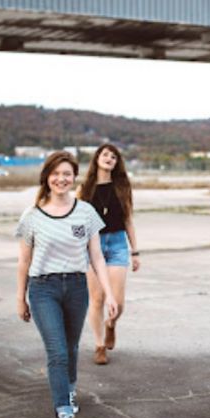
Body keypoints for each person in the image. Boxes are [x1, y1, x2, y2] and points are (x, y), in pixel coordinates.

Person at [16, 150, 118, 418]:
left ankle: (69, 390)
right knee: (57, 352)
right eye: (56, 174)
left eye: (67, 174)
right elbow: (24, 260)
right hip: (42, 288)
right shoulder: (32, 215)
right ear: (47, 177)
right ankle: (63, 414)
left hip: (75, 287)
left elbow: (97, 256)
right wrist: (20, 297)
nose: (61, 179)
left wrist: (109, 295)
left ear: (74, 178)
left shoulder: (85, 211)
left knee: (71, 348)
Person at [77, 144, 140, 365]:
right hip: (91, 247)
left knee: (118, 301)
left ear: (116, 163)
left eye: (114, 156)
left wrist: (135, 251)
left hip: (117, 245)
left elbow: (128, 220)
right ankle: (99, 345)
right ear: (97, 159)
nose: (109, 158)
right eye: (105, 154)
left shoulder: (123, 187)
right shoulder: (85, 188)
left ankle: (111, 325)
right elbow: (77, 221)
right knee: (97, 299)